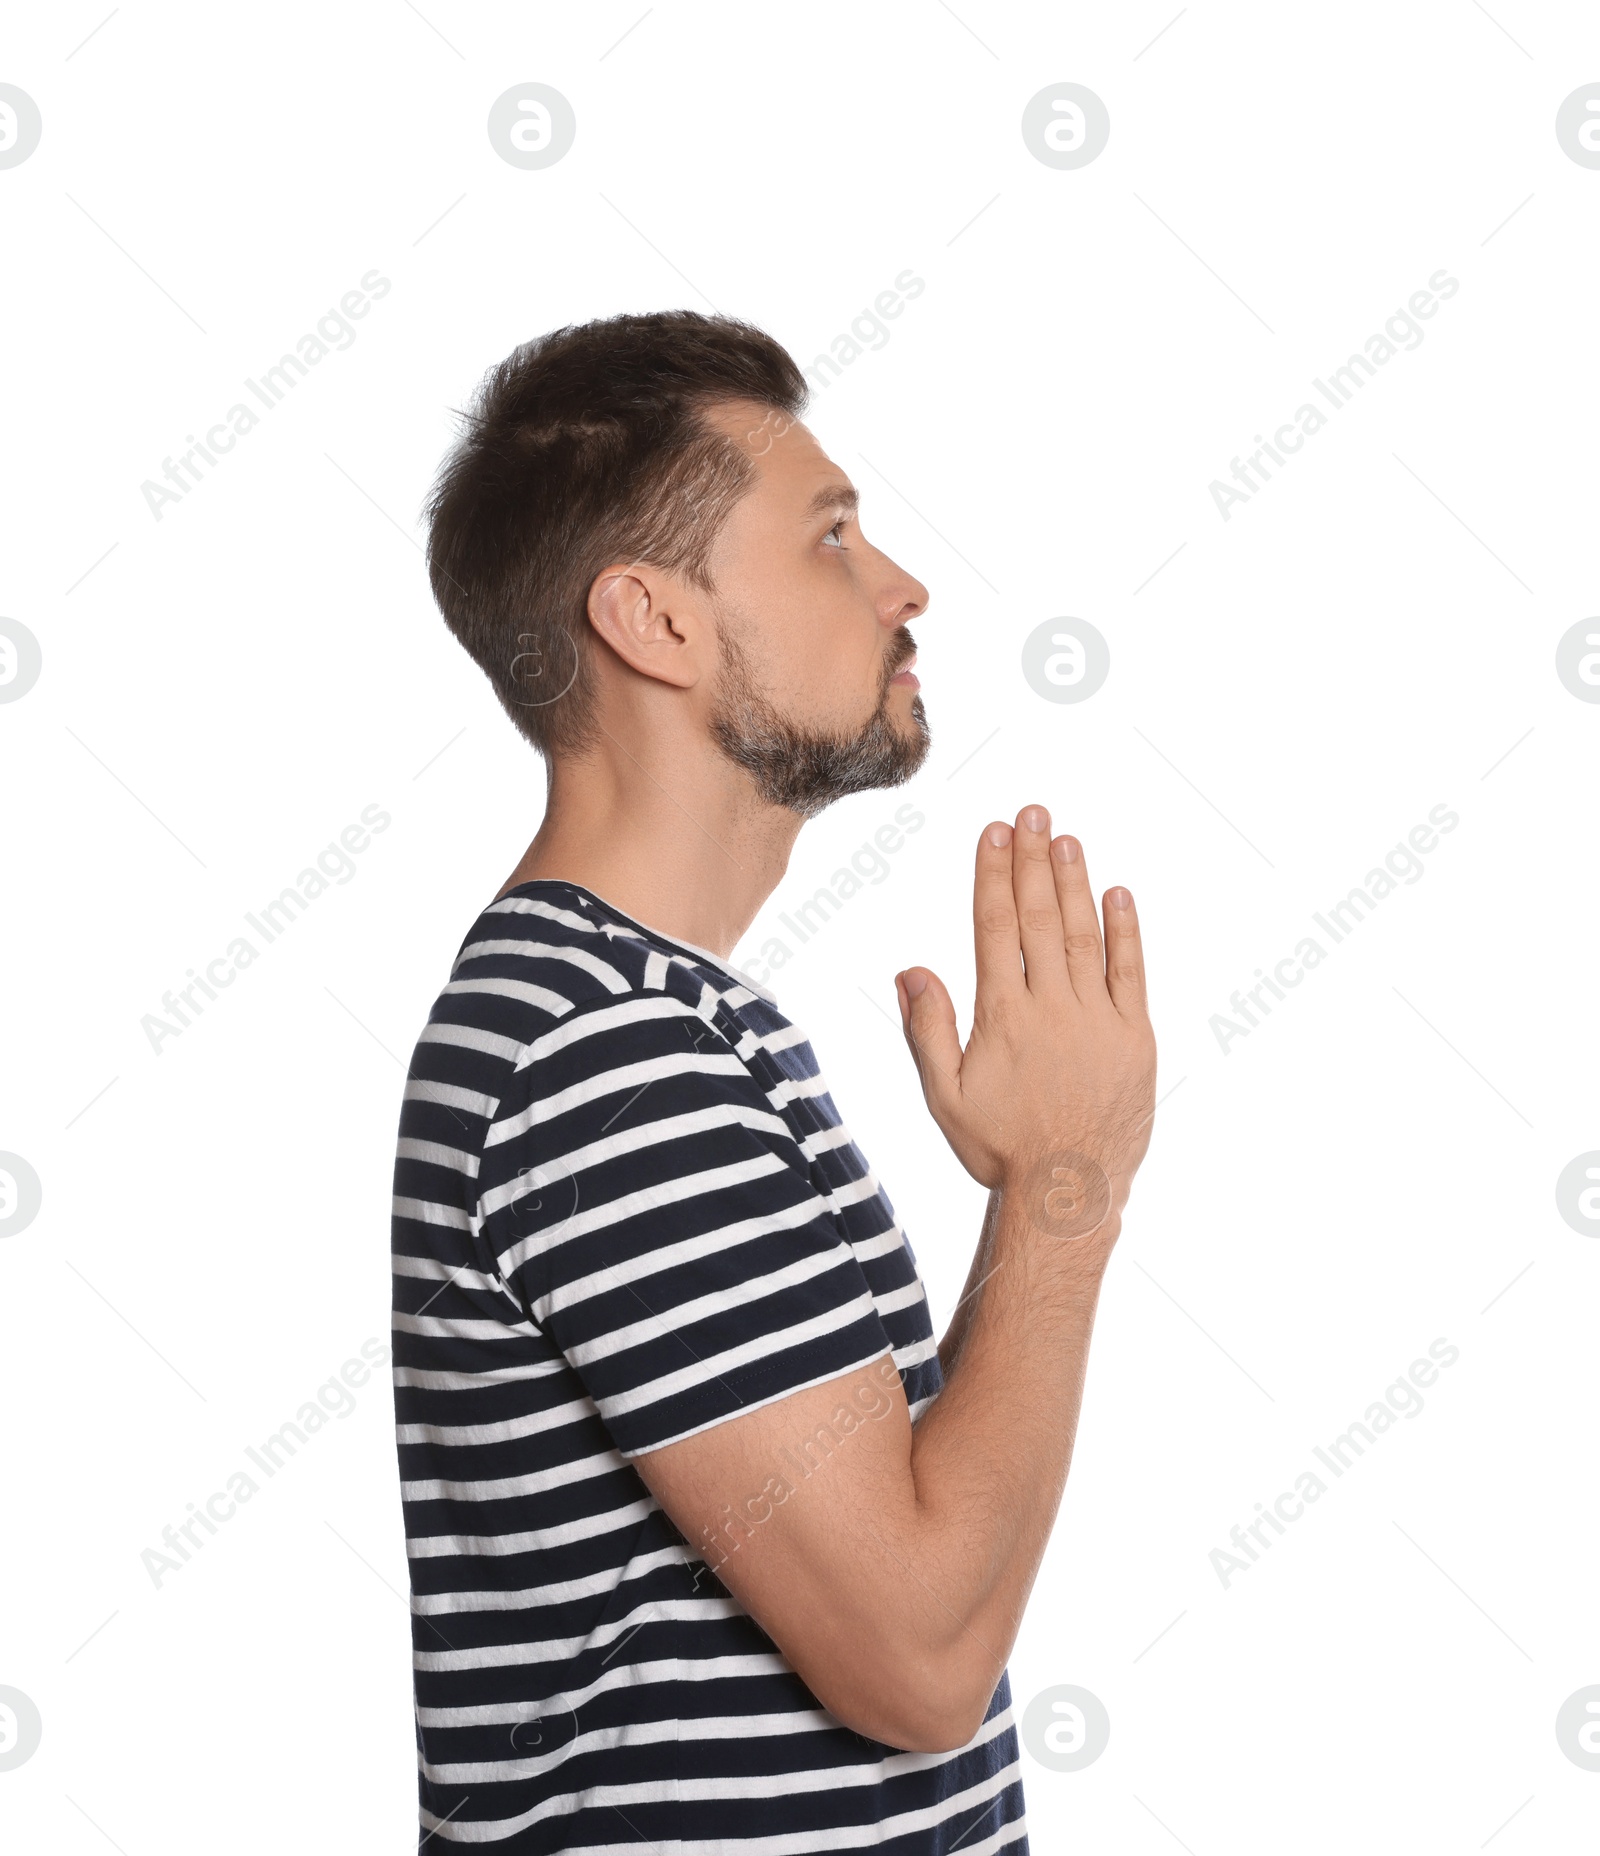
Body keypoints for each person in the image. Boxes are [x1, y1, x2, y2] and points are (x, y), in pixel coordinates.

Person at [391, 310, 1157, 1853]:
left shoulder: (645, 1019)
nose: (901, 586)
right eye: (828, 537)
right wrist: (1066, 1186)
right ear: (654, 622)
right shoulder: (604, 1060)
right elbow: (922, 1661)